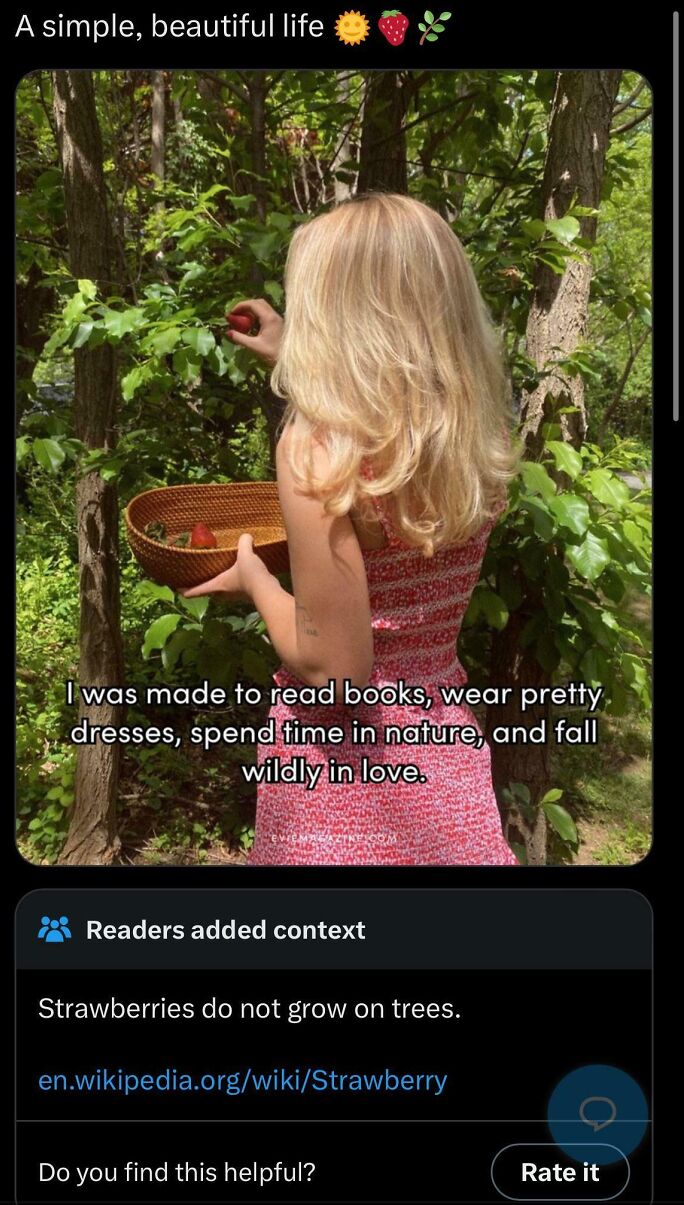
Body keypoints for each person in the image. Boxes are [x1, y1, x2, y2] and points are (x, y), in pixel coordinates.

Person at [183, 193, 519, 866]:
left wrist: (255, 579)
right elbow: (385, 410)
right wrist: (288, 355)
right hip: (441, 755)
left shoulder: (314, 450)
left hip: (340, 782)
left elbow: (337, 671)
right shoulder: (473, 434)